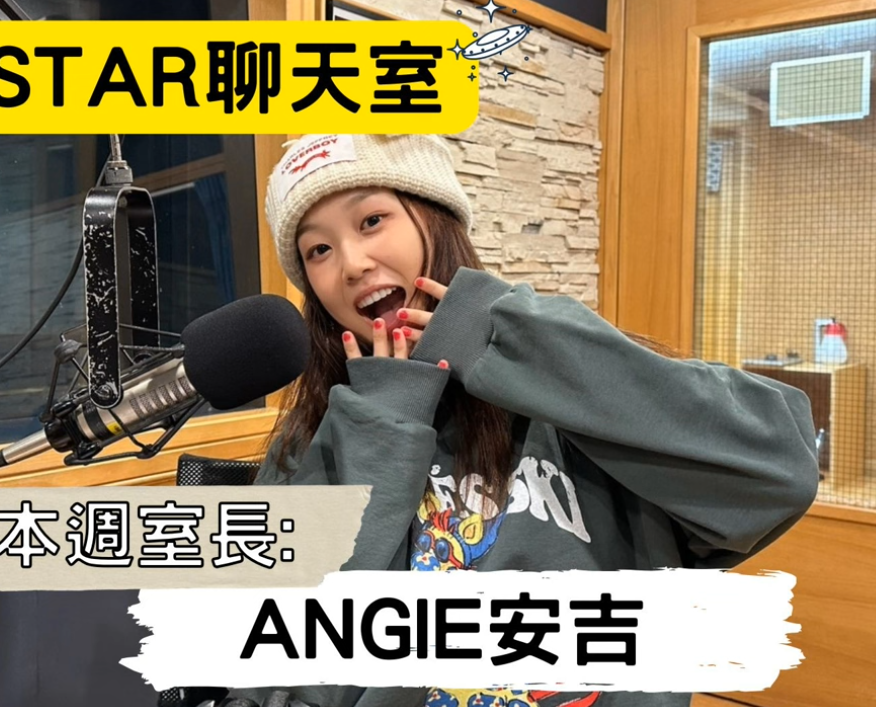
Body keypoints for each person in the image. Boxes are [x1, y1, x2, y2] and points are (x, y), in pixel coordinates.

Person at [230, 134, 819, 707]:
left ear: (436, 219)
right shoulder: (316, 438)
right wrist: (378, 429)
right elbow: (273, 671)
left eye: (371, 221)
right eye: (318, 250)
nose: (352, 264)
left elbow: (779, 472)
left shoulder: (567, 387)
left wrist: (503, 339)